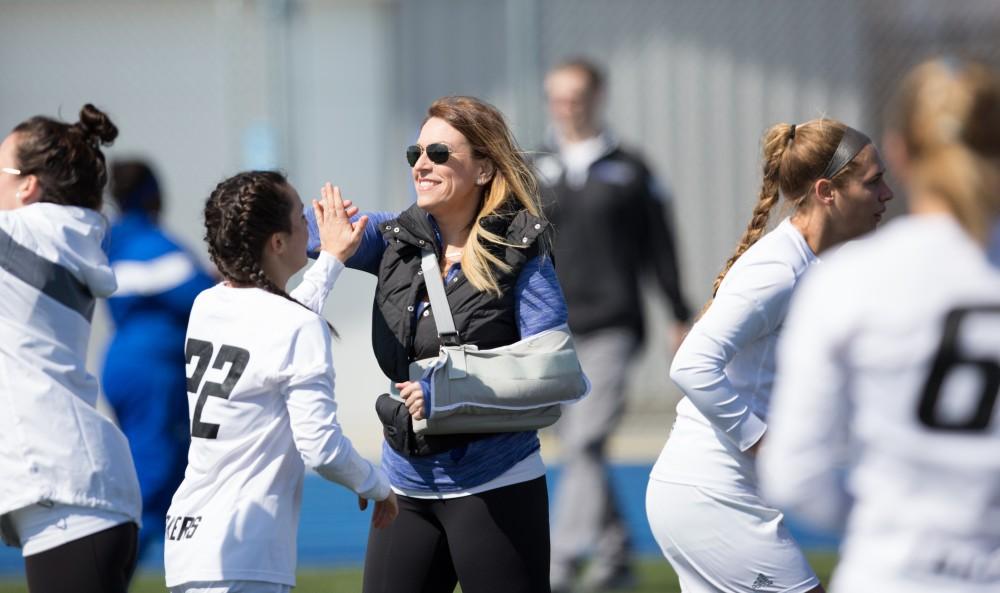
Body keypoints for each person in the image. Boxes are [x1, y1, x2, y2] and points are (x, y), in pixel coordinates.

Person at [305, 95, 567, 593]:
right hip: (404, 484)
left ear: (485, 168)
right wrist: (293, 213)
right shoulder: (396, 237)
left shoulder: (520, 249)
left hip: (497, 483)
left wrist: (456, 390)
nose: (422, 166)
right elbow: (300, 232)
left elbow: (553, 370)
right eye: (415, 154)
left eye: (440, 154)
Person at [760, 58, 1000, 593]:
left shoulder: (850, 279)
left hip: (892, 571)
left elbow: (795, 476)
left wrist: (886, 529)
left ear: (899, 151)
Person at [646, 117, 894, 593]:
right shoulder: (777, 268)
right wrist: (764, 444)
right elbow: (691, 364)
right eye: (873, 181)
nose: (887, 195)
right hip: (710, 498)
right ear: (826, 191)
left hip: (708, 498)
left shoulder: (814, 264)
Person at [164, 173, 398, 593]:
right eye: (299, 216)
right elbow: (321, 448)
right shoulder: (294, 326)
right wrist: (376, 484)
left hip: (190, 543)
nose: (310, 222)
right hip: (247, 556)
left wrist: (332, 259)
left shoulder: (207, 303)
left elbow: (275, 323)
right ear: (276, 242)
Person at [534, 57, 692, 593]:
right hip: (548, 330)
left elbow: (660, 246)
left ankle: (555, 565)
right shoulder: (532, 166)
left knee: (586, 441)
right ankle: (615, 552)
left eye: (576, 94)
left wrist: (678, 311)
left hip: (612, 325)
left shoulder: (630, 168)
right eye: (557, 95)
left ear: (597, 97)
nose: (567, 105)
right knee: (581, 446)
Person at [0, 104, 142, 593]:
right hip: (79, 494)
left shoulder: (22, 236)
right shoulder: (47, 239)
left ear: (28, 185)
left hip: (72, 501)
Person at [101, 160, 216, 561]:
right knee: (154, 482)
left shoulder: (111, 242)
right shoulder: (157, 248)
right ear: (153, 195)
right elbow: (207, 299)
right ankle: (99, 575)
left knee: (158, 482)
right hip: (153, 374)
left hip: (121, 365)